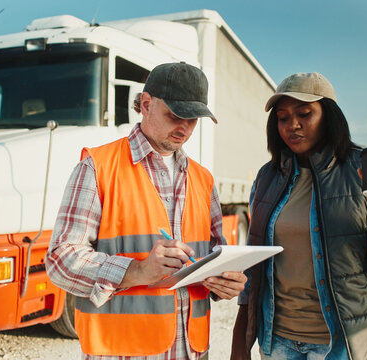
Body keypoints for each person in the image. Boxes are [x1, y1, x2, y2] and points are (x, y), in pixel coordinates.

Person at [45, 62, 247, 360]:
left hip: (191, 350)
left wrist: (224, 281)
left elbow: (215, 253)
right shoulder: (97, 167)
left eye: (194, 119)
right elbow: (60, 260)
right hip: (123, 352)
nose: (185, 127)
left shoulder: (203, 179)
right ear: (147, 104)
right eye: (176, 115)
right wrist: (137, 271)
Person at [230, 73, 367, 360]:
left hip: (341, 345)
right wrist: (239, 346)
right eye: (283, 117)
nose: (293, 125)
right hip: (278, 341)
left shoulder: (360, 169)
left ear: (330, 117)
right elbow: (255, 269)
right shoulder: (267, 177)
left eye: (304, 114)